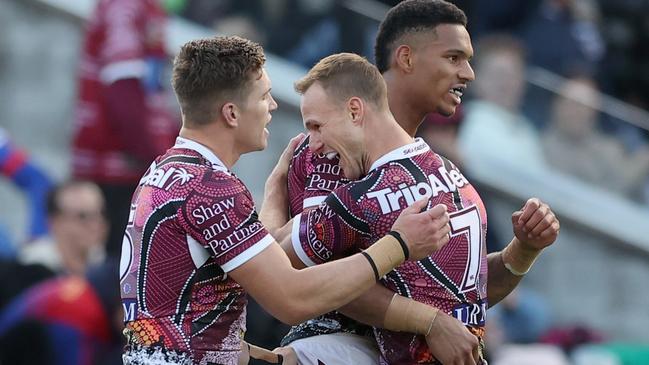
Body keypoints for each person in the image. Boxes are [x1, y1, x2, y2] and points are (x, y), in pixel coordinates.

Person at [119, 35, 451, 365]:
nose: (273, 106)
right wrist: (399, 244)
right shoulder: (210, 187)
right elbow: (292, 298)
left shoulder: (167, 171)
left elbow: (219, 298)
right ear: (232, 113)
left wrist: (274, 191)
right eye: (264, 97)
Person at [261, 1, 560, 364]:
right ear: (406, 58)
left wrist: (522, 251)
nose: (468, 73)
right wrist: (428, 321)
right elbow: (314, 276)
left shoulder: (436, 167)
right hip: (329, 348)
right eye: (454, 58)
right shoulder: (332, 150)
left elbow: (453, 295)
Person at [71, 0, 179, 258]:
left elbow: (147, 92)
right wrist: (161, 160)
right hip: (117, 172)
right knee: (123, 272)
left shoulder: (146, 8)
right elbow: (124, 88)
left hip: (130, 169)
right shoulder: (124, 5)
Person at [19, 180, 108, 276]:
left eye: (101, 213)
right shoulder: (31, 267)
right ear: (54, 222)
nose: (96, 224)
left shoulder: (101, 259)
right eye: (82, 216)